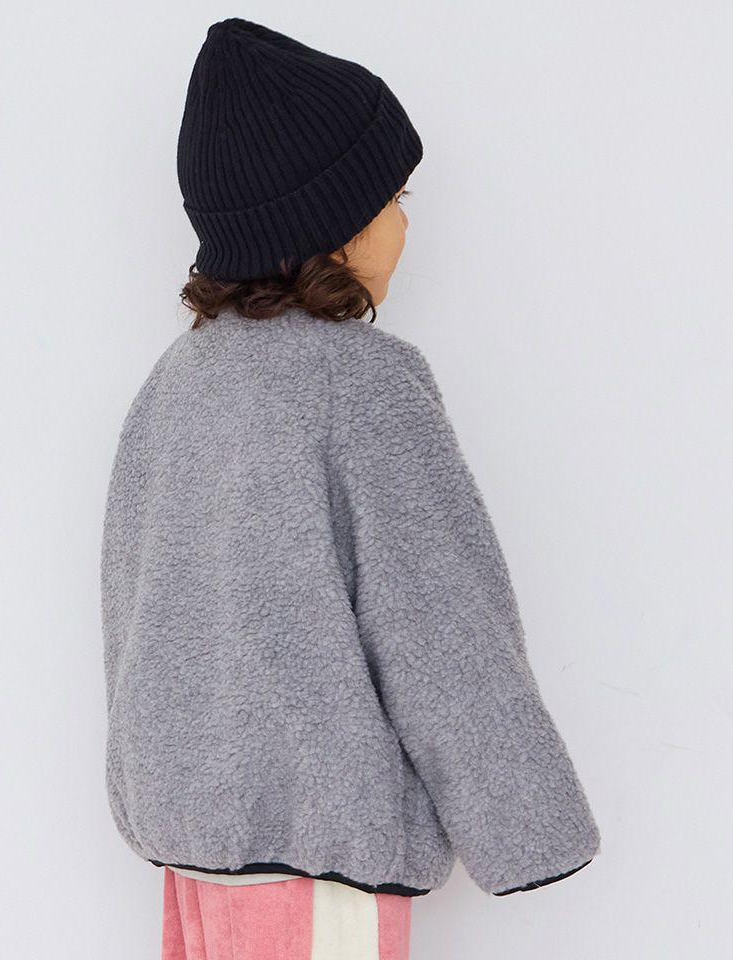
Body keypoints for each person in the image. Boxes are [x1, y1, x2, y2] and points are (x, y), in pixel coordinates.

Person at [100, 17, 602, 960]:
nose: (406, 222)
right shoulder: (362, 383)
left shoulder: (176, 384)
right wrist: (527, 830)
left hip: (191, 850)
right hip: (316, 851)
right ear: (334, 224)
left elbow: (134, 610)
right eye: (396, 197)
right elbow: (441, 621)